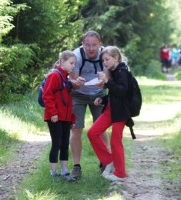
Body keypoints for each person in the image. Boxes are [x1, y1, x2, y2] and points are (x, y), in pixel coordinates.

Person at [87, 46, 132, 181]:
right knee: (92, 133)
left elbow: (123, 92)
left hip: (121, 112)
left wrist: (107, 82)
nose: (104, 62)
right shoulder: (114, 71)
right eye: (103, 60)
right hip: (111, 109)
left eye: (107, 59)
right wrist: (103, 98)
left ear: (116, 58)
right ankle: (109, 160)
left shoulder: (123, 71)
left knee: (115, 141)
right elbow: (114, 93)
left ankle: (120, 173)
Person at [69, 31, 109, 180]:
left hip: (99, 94)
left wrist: (104, 81)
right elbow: (73, 83)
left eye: (94, 45)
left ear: (100, 44)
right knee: (76, 129)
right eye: (88, 45)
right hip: (79, 95)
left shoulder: (105, 54)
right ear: (83, 44)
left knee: (101, 128)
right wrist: (77, 83)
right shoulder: (77, 56)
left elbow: (109, 77)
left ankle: (105, 162)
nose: (91, 48)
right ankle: (76, 166)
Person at [42, 50, 79, 179]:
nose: (73, 66)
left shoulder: (65, 78)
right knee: (56, 143)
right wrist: (53, 113)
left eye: (74, 63)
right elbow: (47, 95)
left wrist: (72, 119)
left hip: (65, 117)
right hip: (55, 117)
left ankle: (64, 171)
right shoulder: (55, 76)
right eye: (71, 63)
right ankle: (53, 173)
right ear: (63, 62)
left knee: (64, 144)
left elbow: (69, 101)